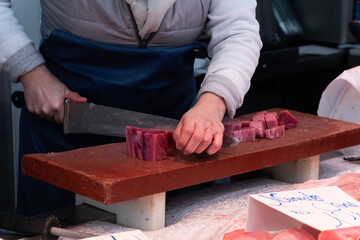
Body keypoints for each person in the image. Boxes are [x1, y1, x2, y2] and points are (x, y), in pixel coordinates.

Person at [0, 0, 262, 216]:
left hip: (172, 139)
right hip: (63, 124)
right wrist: (30, 71)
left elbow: (238, 32)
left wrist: (212, 104)